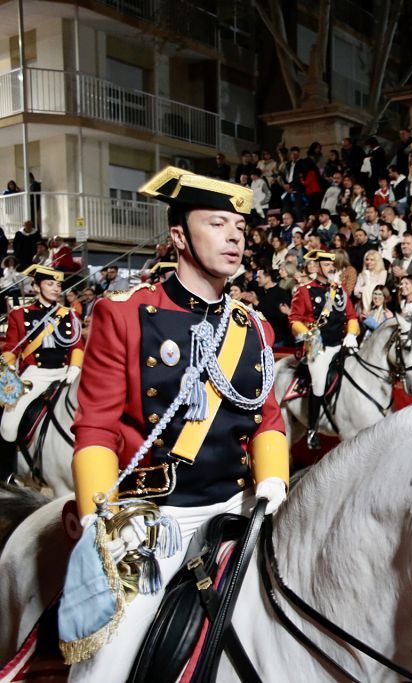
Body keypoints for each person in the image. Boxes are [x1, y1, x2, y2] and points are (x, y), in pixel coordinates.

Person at [63, 167, 287, 680]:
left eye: (240, 227)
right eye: (217, 223)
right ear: (179, 237)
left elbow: (267, 419)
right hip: (155, 518)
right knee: (106, 664)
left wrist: (273, 485)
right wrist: (103, 515)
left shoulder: (252, 326)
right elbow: (95, 427)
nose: (235, 236)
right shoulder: (122, 314)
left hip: (238, 506)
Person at [0, 265, 84, 478]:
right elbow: (12, 348)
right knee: (8, 425)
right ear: (36, 287)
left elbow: (77, 346)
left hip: (65, 373)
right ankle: (7, 474)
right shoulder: (20, 315)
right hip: (35, 375)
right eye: (50, 283)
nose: (56, 288)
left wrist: (74, 368)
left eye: (58, 284)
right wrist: (5, 369)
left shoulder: (69, 315)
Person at [288, 249, 359, 448]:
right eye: (327, 265)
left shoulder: (340, 290)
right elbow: (294, 319)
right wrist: (307, 334)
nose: (331, 268)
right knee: (318, 382)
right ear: (317, 266)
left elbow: (351, 316)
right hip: (318, 346)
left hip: (341, 343)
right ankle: (312, 429)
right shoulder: (304, 291)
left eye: (332, 265)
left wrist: (352, 334)